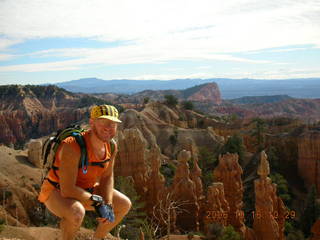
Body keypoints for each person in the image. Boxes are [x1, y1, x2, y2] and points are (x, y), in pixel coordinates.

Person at [38, 104, 131, 240]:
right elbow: (67, 189)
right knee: (76, 213)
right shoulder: (72, 146)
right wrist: (97, 201)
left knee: (124, 204)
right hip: (56, 191)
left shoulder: (111, 146)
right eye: (103, 122)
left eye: (113, 124)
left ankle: (97, 238)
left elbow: (107, 176)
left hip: (87, 189)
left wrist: (109, 203)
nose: (108, 127)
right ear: (92, 123)